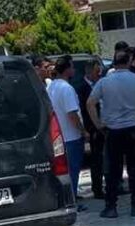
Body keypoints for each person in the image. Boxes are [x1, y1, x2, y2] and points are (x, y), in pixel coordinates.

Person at [87, 50, 135, 219]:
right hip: (133, 129)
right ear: (129, 62)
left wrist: (98, 124)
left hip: (112, 130)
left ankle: (111, 206)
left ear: (114, 63)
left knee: (113, 170)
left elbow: (90, 103)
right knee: (134, 167)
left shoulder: (104, 82)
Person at [48, 56, 88, 209]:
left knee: (63, 172)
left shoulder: (51, 87)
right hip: (71, 136)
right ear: (67, 69)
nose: (74, 70)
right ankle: (72, 201)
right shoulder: (66, 88)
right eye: (72, 67)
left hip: (57, 136)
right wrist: (83, 131)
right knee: (73, 171)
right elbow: (72, 114)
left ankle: (67, 198)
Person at [77, 59, 105, 199]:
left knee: (101, 158)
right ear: (89, 72)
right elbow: (84, 110)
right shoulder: (82, 88)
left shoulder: (97, 85)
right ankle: (97, 188)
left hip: (101, 126)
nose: (99, 74)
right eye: (96, 71)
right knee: (96, 159)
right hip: (92, 127)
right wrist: (89, 129)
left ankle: (100, 185)